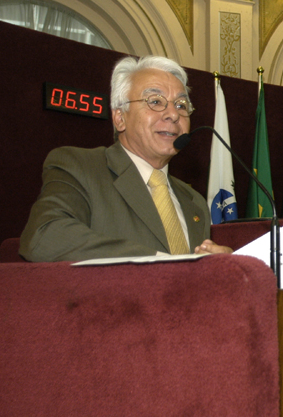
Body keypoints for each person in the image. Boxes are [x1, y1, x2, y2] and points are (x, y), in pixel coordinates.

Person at [20, 55, 232, 262]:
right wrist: (159, 261)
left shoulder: (195, 201)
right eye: (156, 101)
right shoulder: (79, 166)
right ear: (120, 118)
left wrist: (216, 266)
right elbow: (44, 236)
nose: (173, 114)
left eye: (181, 105)